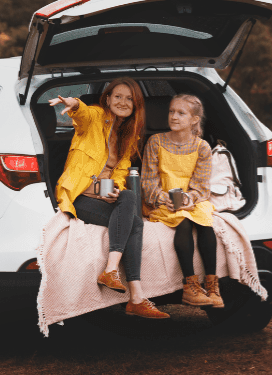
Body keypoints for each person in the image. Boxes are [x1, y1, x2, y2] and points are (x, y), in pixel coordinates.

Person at [49, 78, 170, 319]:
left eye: (129, 99)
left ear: (135, 105)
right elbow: (82, 116)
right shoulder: (94, 116)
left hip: (102, 195)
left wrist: (114, 189)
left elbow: (121, 173)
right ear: (107, 99)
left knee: (127, 199)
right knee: (134, 221)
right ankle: (126, 286)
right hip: (79, 196)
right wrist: (74, 104)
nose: (123, 102)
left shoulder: (128, 136)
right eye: (118, 97)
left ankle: (127, 287)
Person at [141, 94, 224, 308]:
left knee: (206, 225)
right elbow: (148, 182)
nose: (174, 117)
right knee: (184, 223)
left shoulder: (202, 147)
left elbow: (202, 185)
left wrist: (190, 198)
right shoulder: (155, 142)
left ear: (194, 119)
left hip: (191, 201)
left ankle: (213, 287)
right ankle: (190, 286)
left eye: (181, 113)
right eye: (171, 111)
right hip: (163, 201)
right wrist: (163, 198)